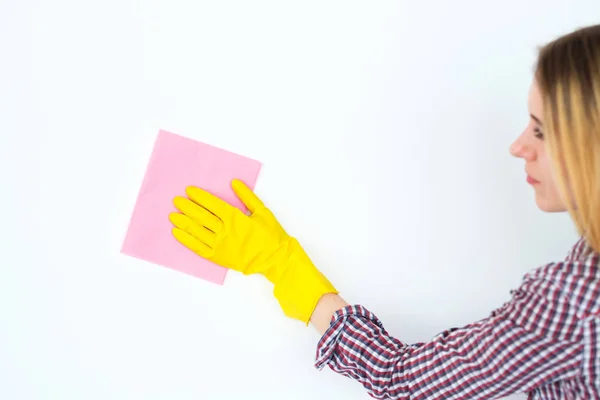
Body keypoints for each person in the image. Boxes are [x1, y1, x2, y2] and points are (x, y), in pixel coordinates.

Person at [167, 24, 600, 399]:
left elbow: (403, 381)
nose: (518, 146)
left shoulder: (576, 301)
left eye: (541, 131)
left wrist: (281, 264)